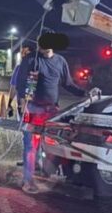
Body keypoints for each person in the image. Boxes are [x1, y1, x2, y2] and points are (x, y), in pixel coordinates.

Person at [12, 33, 94, 193]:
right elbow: (21, 84)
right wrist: (22, 104)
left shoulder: (60, 61)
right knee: (30, 146)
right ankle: (27, 181)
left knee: (55, 144)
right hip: (33, 108)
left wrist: (84, 93)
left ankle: (51, 173)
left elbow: (68, 84)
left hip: (52, 111)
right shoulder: (31, 60)